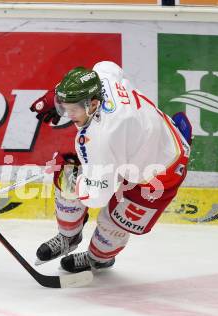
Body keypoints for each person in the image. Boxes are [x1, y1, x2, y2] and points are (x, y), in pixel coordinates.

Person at [29, 61, 192, 273]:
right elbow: (107, 65)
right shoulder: (103, 78)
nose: (67, 114)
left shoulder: (101, 137)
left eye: (72, 109)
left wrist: (81, 180)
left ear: (93, 103)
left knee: (115, 222)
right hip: (150, 141)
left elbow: (98, 196)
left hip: (161, 172)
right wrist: (58, 95)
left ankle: (97, 258)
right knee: (68, 171)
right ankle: (68, 237)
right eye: (63, 106)